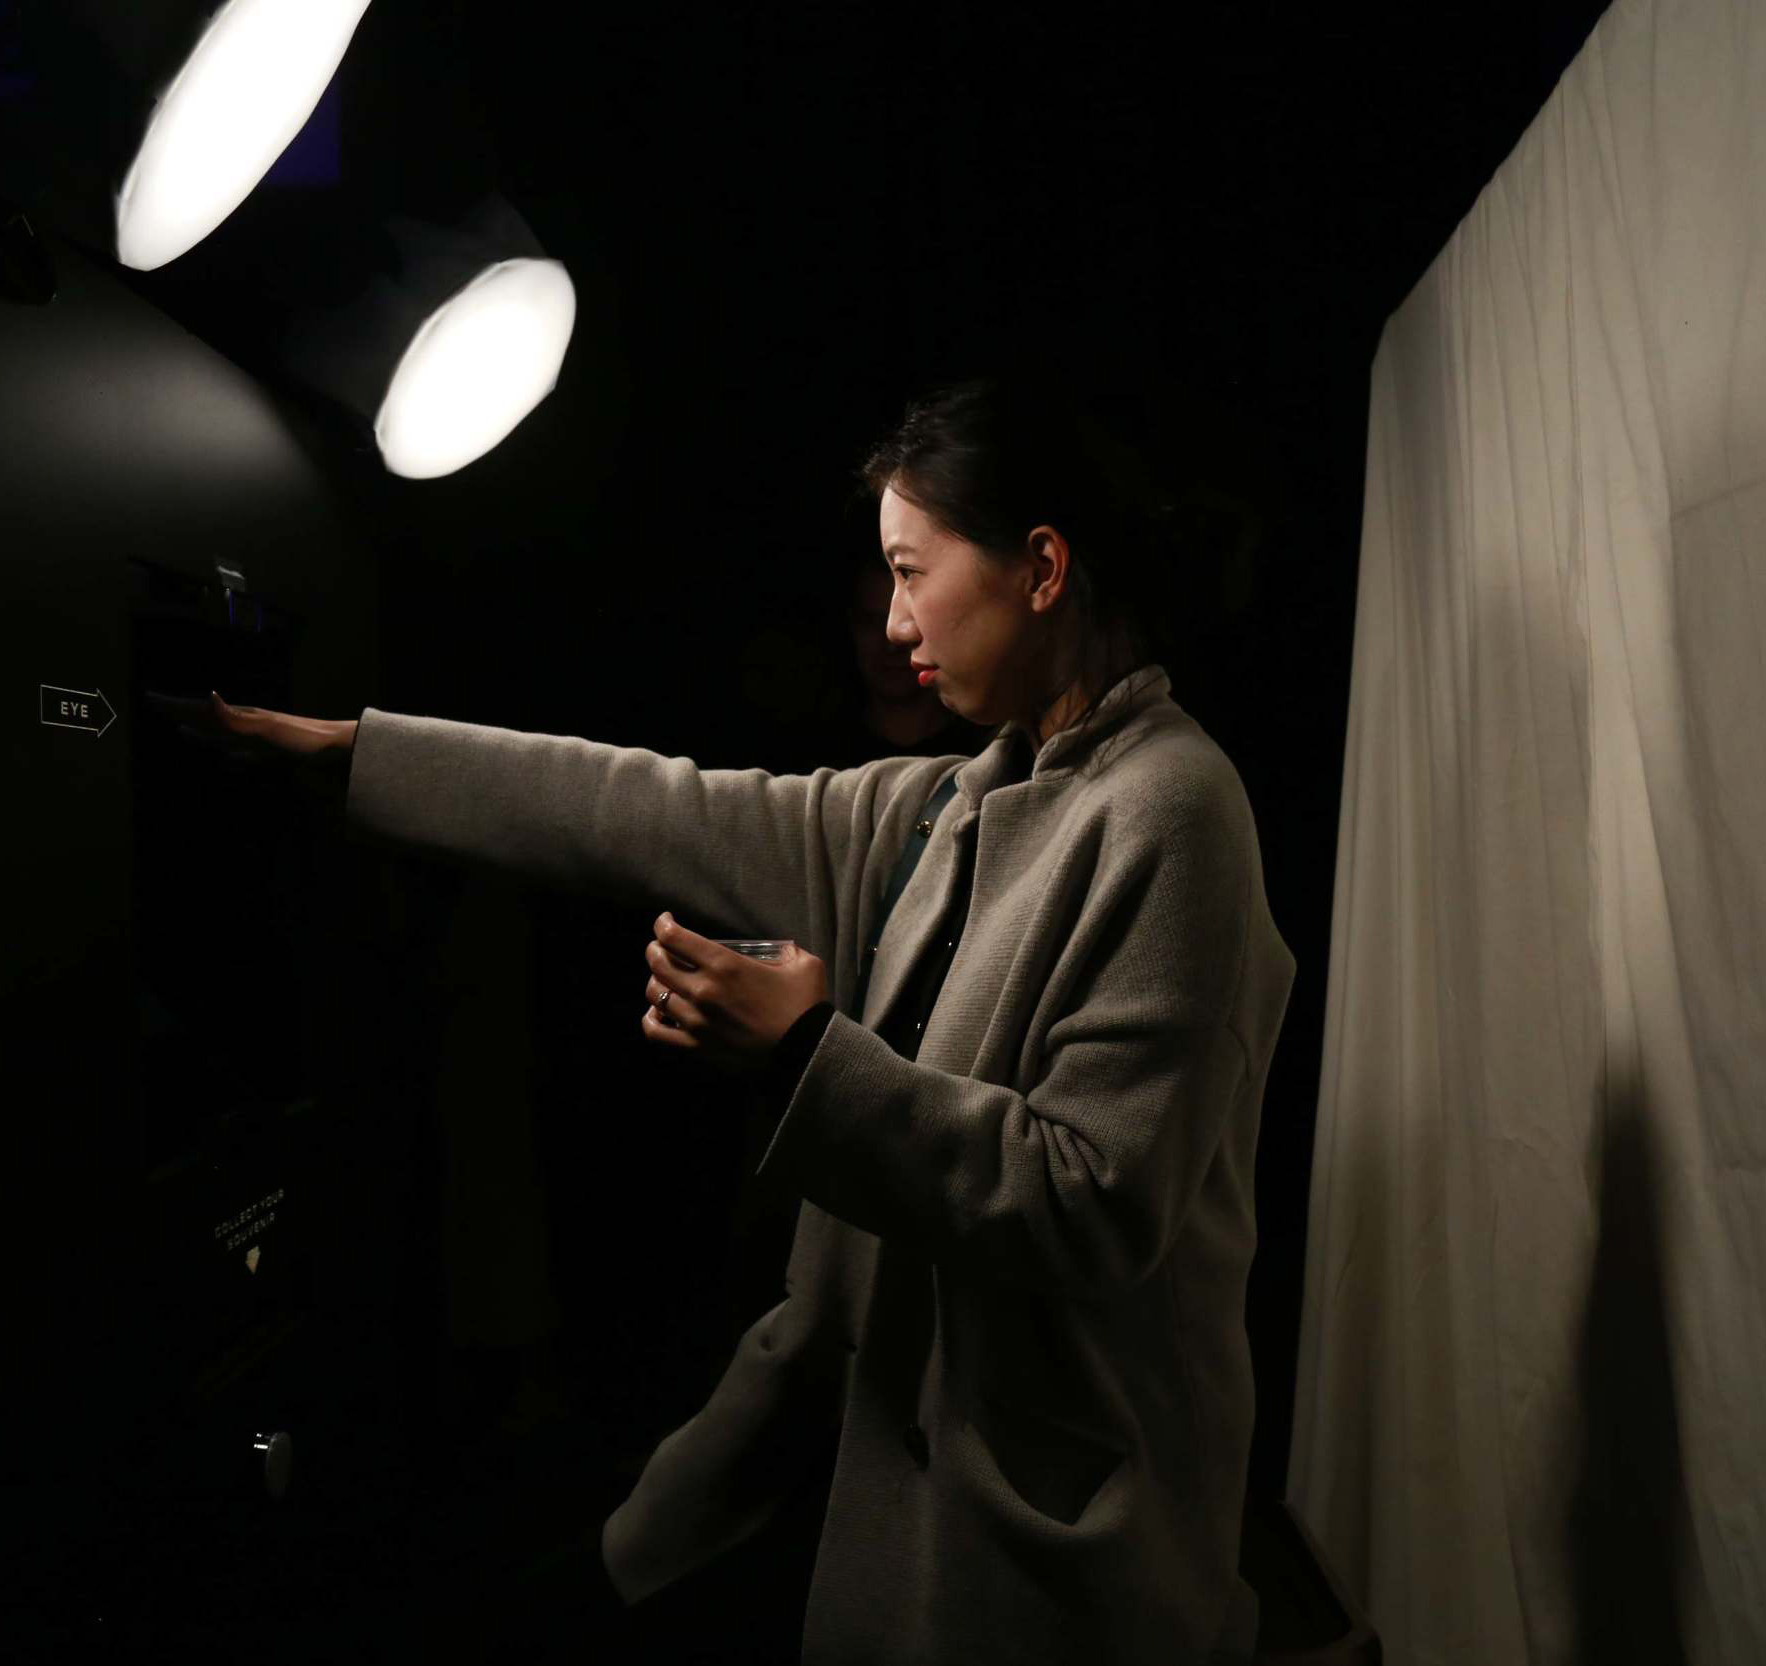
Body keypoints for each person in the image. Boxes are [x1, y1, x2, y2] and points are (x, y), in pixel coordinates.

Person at [204, 371, 1296, 1665]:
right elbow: (651, 807)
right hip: (830, 1459)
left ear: (1042, 567)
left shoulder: (1172, 809)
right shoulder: (941, 805)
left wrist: (801, 1056)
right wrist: (360, 757)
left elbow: (1095, 1201)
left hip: (1035, 1553)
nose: (892, 623)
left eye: (908, 570)